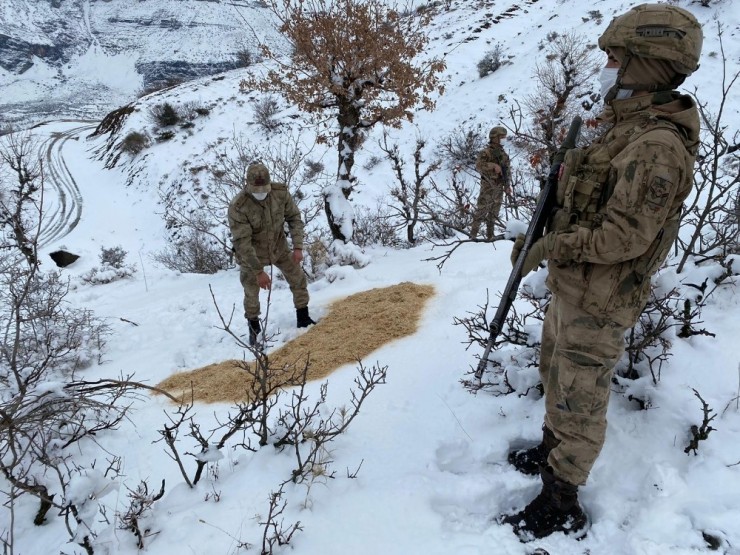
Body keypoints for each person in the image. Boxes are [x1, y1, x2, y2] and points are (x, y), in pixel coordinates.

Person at [501, 3, 703, 541]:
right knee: (555, 369)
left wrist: (552, 245)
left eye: (616, 56)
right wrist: (549, 231)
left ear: (647, 63)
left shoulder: (656, 145)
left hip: (603, 294)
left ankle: (561, 497)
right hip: (577, 284)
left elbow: (624, 237)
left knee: (580, 394)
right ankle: (550, 447)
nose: (607, 65)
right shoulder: (627, 127)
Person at [228, 162, 315, 346]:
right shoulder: (238, 206)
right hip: (252, 255)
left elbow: (294, 218)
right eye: (256, 190)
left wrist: (298, 247)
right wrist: (258, 271)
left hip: (279, 247)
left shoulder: (280, 193)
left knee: (298, 279)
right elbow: (242, 243)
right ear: (248, 185)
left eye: (263, 189)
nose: (261, 193)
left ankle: (303, 318)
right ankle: (254, 330)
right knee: (251, 292)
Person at [471, 126, 511, 240]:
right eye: (501, 137)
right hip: (488, 187)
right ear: (494, 138)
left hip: (499, 186)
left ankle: (490, 236)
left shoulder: (503, 155)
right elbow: (479, 165)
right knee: (481, 211)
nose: (504, 139)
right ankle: (472, 236)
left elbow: (507, 171)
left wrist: (507, 186)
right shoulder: (486, 152)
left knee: (494, 213)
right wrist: (493, 166)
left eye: (504, 137)